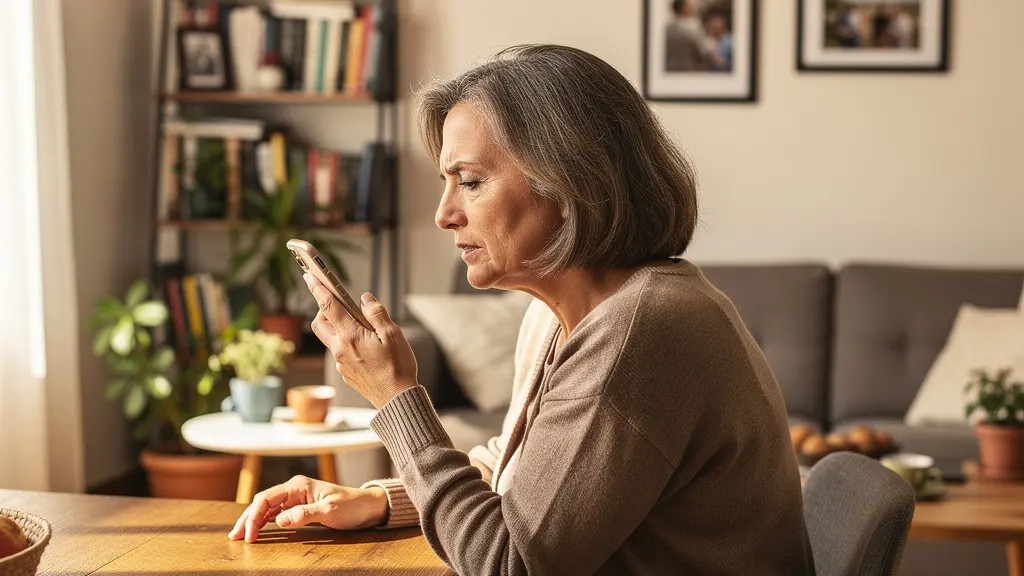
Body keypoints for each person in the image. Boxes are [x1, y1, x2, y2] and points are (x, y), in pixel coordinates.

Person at [228, 44, 815, 575]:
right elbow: (519, 475)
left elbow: (510, 564)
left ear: (567, 182)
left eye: (471, 181)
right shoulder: (555, 314)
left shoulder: (643, 328)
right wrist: (381, 499)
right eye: (446, 181)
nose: (444, 213)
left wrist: (396, 398)